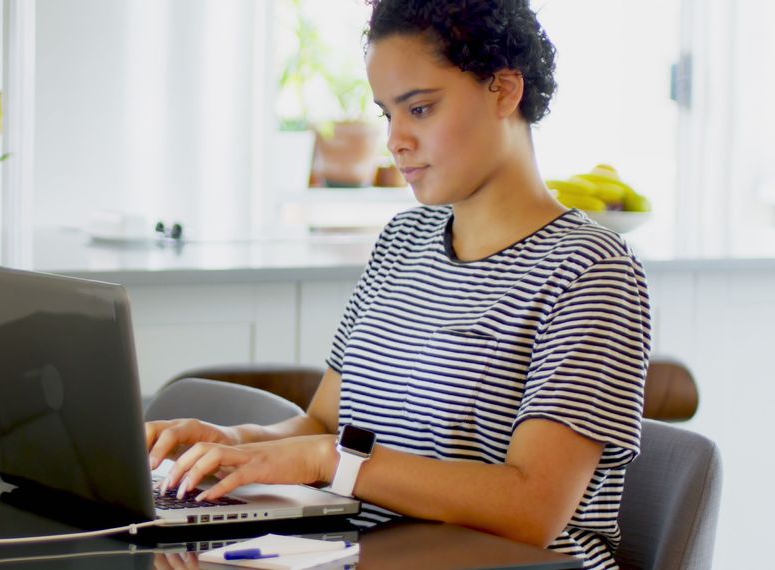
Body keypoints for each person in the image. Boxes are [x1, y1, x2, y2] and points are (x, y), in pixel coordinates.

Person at [146, 1, 650, 568]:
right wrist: (233, 442)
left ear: (505, 91)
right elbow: (325, 425)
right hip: (365, 552)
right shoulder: (403, 240)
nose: (396, 140)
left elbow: (533, 508)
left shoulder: (590, 267)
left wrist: (330, 462)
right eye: (388, 114)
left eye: (421, 108)